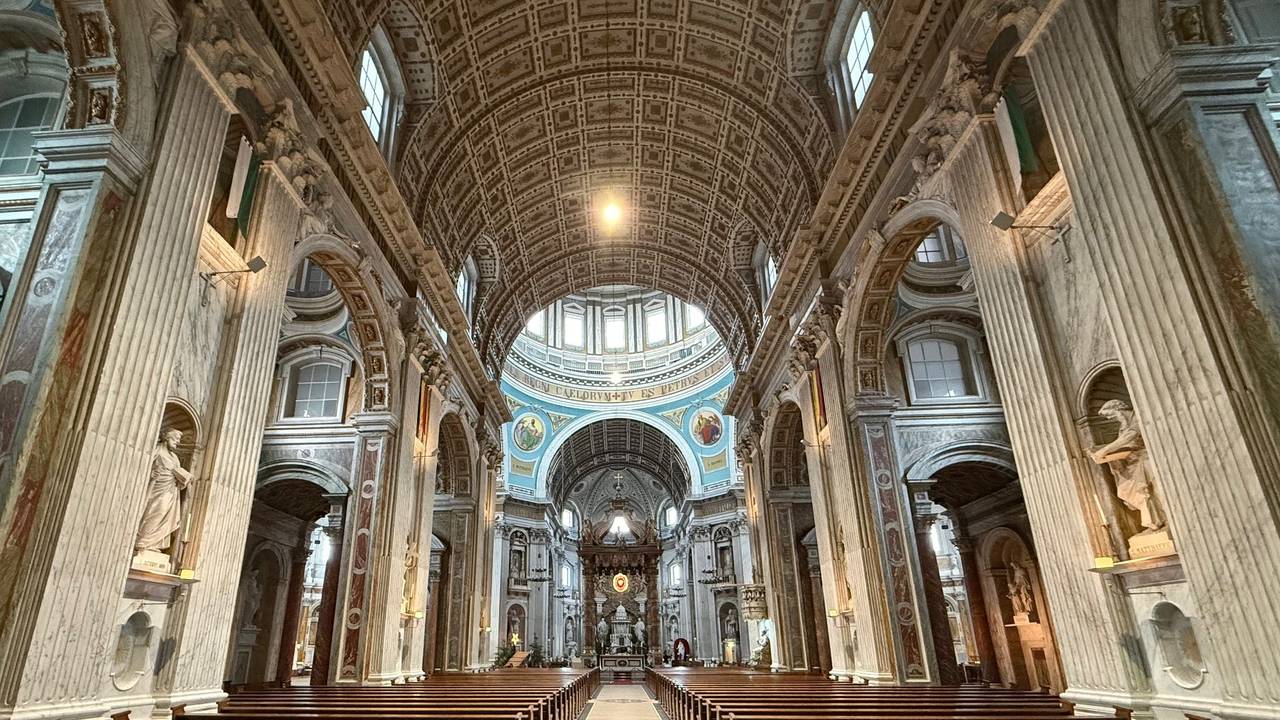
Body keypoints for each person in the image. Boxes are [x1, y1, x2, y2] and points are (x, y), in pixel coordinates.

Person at [135, 428, 193, 555]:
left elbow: (178, 475)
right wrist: (150, 473)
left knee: (165, 515)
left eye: (178, 440)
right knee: (154, 512)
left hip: (170, 491)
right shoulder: (157, 450)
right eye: (175, 439)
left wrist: (184, 478)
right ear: (166, 437)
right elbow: (141, 465)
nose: (177, 442)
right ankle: (143, 542)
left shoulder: (175, 457)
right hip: (156, 490)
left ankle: (153, 545)